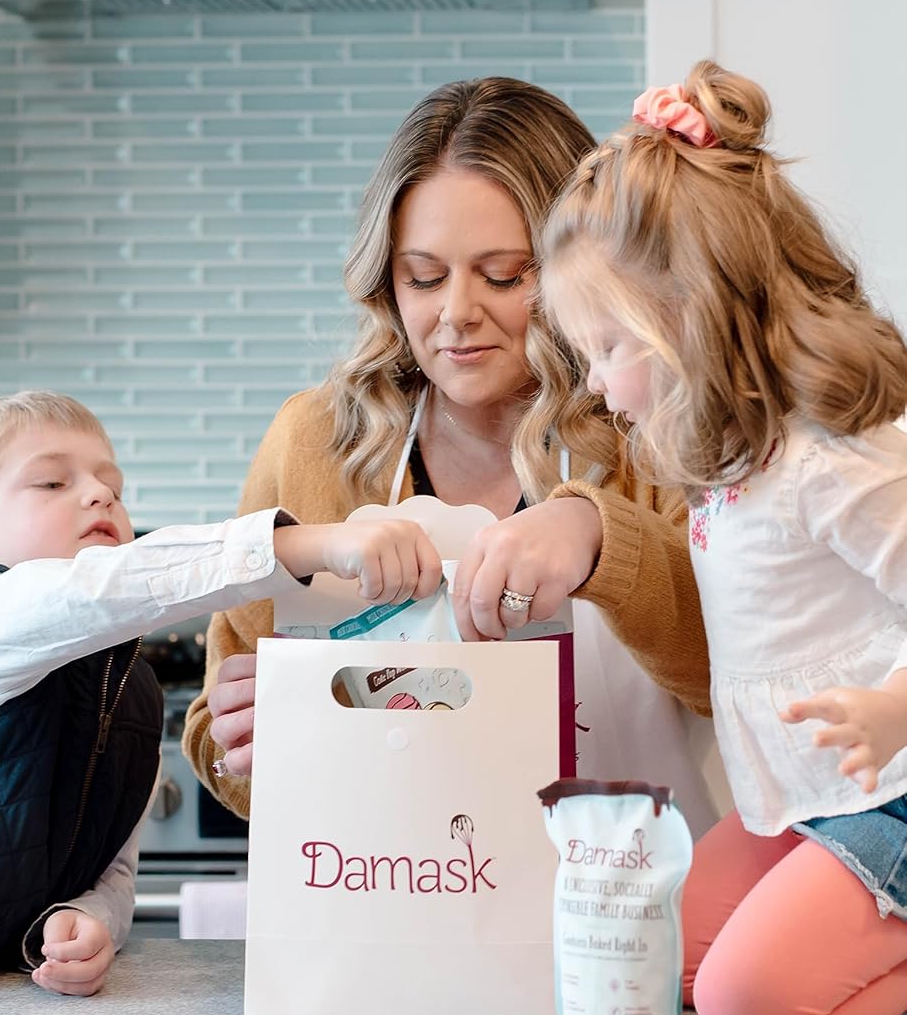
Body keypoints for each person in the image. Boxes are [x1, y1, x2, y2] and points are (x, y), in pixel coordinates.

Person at [183, 76, 729, 836]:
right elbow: (219, 725)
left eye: (505, 275)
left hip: (631, 927)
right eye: (424, 277)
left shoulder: (655, 433)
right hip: (404, 903)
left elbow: (736, 682)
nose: (456, 313)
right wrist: (241, 747)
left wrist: (600, 540)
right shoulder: (314, 443)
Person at [537, 58, 907, 1015]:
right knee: (656, 962)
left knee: (752, 1008)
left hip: (890, 792)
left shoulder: (834, 458)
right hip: (799, 795)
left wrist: (893, 706)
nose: (600, 387)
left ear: (693, 314)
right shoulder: (728, 456)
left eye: (608, 348)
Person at [0, 390, 440, 1015]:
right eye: (52, 481)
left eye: (113, 484)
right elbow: (96, 593)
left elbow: (115, 876)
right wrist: (302, 548)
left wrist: (88, 919)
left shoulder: (131, 688)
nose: (100, 494)